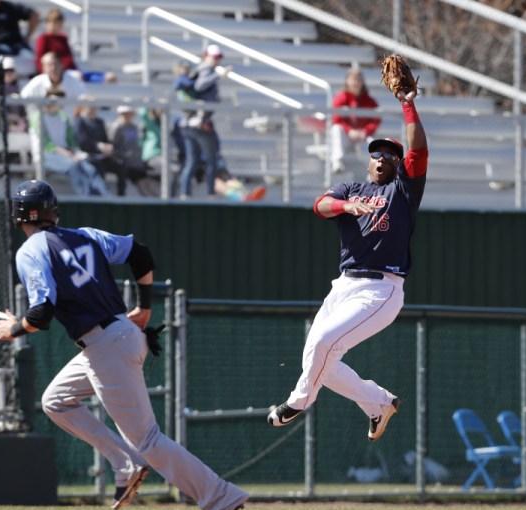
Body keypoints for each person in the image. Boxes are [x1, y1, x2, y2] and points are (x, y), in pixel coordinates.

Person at [0, 180, 248, 510]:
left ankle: (221, 498)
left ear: (18, 214)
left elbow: (41, 313)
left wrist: (13, 328)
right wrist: (144, 306)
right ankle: (124, 462)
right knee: (56, 401)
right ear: (53, 209)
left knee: (148, 439)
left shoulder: (30, 251)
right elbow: (139, 252)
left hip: (106, 344)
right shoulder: (84, 235)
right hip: (118, 336)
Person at [266, 78, 428, 442]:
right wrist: (345, 206)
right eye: (377, 153)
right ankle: (378, 402)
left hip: (381, 288)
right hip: (344, 284)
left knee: (322, 342)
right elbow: (320, 206)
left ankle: (298, 401)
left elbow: (418, 150)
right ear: (368, 161)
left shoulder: (402, 191)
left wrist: (407, 104)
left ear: (397, 164)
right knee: (319, 357)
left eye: (390, 154)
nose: (383, 157)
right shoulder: (350, 189)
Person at [28, 86, 110, 196]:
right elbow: (47, 145)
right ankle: (87, 199)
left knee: (89, 168)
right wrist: (69, 155)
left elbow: (71, 141)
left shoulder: (63, 116)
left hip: (65, 154)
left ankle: (106, 198)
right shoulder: (38, 117)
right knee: (73, 166)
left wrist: (76, 152)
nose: (63, 103)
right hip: (47, 156)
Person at [178, 44, 230, 199]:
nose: (217, 60)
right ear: (206, 55)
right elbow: (200, 86)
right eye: (215, 57)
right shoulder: (206, 70)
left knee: (193, 160)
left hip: (190, 123)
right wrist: (219, 75)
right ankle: (210, 193)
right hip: (199, 123)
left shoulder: (199, 70)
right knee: (212, 158)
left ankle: (185, 193)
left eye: (219, 57)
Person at [33, 7, 116, 84]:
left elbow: (69, 59)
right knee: (77, 76)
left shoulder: (63, 39)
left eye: (59, 24)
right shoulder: (43, 39)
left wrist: (73, 71)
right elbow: (40, 60)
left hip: (70, 71)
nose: (56, 27)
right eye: (54, 23)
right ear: (48, 23)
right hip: (60, 74)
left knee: (109, 76)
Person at [330, 68, 381, 174]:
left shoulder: (369, 101)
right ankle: (337, 163)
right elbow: (336, 120)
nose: (356, 82)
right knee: (336, 129)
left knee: (373, 142)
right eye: (353, 79)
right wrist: (349, 131)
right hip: (347, 137)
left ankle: (373, 173)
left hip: (362, 137)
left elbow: (376, 120)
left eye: (359, 79)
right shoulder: (341, 97)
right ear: (347, 81)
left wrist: (365, 132)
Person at [109, 105, 159, 197]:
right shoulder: (117, 127)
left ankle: (158, 203)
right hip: (126, 162)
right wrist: (123, 155)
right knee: (142, 183)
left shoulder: (134, 127)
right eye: (126, 114)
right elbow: (113, 146)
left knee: (149, 183)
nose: (128, 116)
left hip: (137, 162)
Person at [21, 52, 87, 115]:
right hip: (42, 124)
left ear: (62, 65)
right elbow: (23, 99)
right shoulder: (37, 82)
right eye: (49, 65)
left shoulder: (73, 81)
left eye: (56, 64)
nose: (53, 68)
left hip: (67, 124)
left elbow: (85, 100)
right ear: (44, 67)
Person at [0, 56, 27, 133]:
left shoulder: (20, 89)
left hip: (20, 125)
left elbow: (24, 110)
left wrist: (22, 120)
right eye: (6, 71)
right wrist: (12, 120)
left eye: (11, 70)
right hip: (2, 126)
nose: (8, 73)